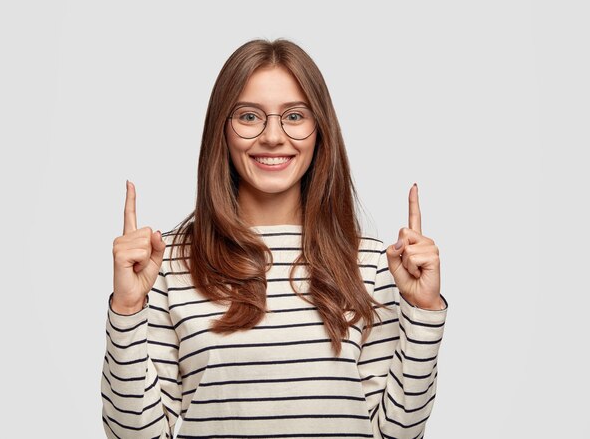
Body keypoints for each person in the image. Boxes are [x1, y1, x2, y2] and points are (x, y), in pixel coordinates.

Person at [100, 38, 448, 439]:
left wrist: (423, 310)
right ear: (222, 130)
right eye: (249, 116)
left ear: (320, 130)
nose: (272, 136)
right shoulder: (169, 264)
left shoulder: (372, 266)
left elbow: (397, 435)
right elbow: (132, 436)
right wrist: (127, 308)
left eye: (295, 116)